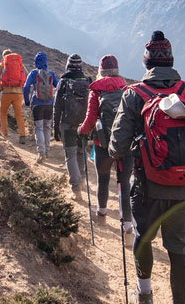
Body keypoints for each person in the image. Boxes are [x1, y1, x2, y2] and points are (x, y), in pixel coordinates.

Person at [109, 31, 185, 304]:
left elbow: (117, 147)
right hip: (184, 189)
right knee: (179, 251)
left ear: (146, 63)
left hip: (147, 186)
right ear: (171, 61)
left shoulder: (133, 95)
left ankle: (144, 298)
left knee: (144, 238)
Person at [78, 54, 129, 222]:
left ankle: (101, 214)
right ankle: (128, 227)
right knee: (124, 184)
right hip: (124, 144)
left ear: (101, 71)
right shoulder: (126, 90)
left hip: (103, 144)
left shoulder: (96, 91)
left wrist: (82, 131)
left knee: (103, 178)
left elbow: (91, 119)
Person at [53, 53, 92, 186]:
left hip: (67, 123)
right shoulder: (88, 81)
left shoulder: (63, 82)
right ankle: (81, 182)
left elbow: (57, 106)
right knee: (81, 153)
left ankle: (76, 188)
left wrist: (55, 126)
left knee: (70, 155)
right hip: (84, 124)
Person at [22, 52, 57, 159]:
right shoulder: (51, 73)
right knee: (47, 127)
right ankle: (47, 150)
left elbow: (26, 87)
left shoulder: (33, 73)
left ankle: (41, 153)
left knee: (39, 128)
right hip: (49, 104)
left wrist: (27, 101)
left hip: (37, 104)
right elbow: (58, 86)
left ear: (36, 62)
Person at [0, 49, 27, 144]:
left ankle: (4, 133)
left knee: (3, 113)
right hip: (18, 94)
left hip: (6, 93)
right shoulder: (20, 64)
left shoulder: (2, 64)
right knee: (19, 114)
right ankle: (22, 135)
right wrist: (21, 86)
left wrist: (1, 88)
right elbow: (27, 75)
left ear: (3, 56)